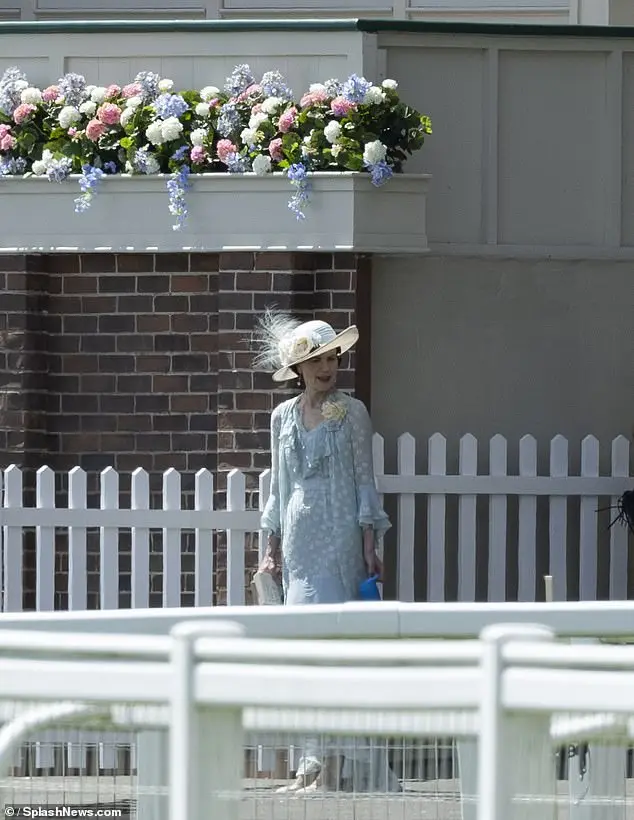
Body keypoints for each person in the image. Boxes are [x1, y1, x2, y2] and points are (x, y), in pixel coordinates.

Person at [253, 311, 400, 795]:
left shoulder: (351, 412)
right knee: (302, 650)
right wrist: (270, 548)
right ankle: (310, 766)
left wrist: (368, 542)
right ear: (298, 367)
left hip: (339, 539)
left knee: (338, 648)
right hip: (298, 540)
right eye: (317, 359)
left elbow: (364, 479)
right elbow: (278, 485)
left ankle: (337, 769)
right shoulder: (282, 418)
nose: (328, 367)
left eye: (333, 356)